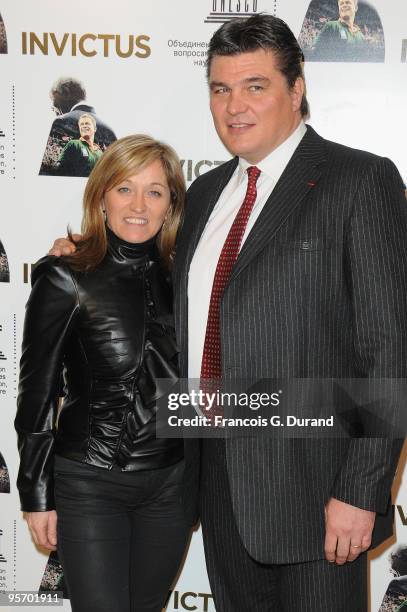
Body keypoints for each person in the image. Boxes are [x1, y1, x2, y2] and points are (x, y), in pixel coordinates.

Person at [50, 14, 407, 612]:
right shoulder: (207, 194)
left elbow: (387, 347)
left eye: (255, 86)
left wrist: (361, 489)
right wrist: (83, 257)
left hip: (317, 499)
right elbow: (154, 289)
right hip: (214, 491)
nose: (234, 106)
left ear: (296, 90)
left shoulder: (360, 180)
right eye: (221, 89)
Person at [16, 135, 197, 612]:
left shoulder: (190, 277)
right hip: (90, 484)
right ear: (101, 196)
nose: (139, 205)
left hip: (172, 488)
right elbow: (37, 394)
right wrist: (36, 493)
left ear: (171, 204)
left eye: (155, 192)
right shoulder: (65, 275)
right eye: (124, 189)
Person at [39, 77, 116, 176]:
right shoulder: (110, 130)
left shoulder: (61, 122)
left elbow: (48, 172)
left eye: (53, 100)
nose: (53, 108)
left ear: (62, 94)